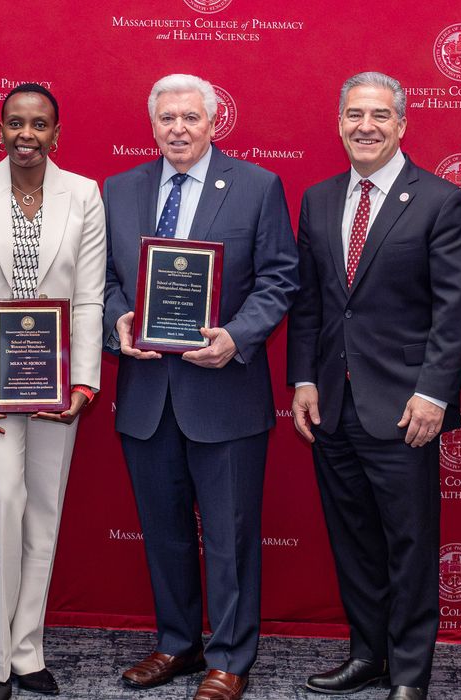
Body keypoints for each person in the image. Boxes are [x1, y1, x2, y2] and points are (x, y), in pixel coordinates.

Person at [104, 73, 298, 700]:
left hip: (225, 394)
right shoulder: (120, 189)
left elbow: (278, 279)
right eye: (167, 119)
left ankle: (231, 657)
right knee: (163, 531)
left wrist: (237, 338)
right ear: (152, 124)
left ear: (215, 122)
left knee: (231, 534)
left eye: (191, 118)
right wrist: (118, 320)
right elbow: (102, 279)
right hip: (146, 394)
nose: (179, 129)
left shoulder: (258, 186)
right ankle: (177, 643)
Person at [287, 72, 461, 700]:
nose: (365, 126)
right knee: (355, 541)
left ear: (402, 125)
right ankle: (367, 655)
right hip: (334, 406)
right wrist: (305, 379)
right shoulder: (316, 199)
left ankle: (411, 675)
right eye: (354, 114)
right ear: (339, 122)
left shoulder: (441, 201)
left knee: (410, 544)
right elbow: (311, 303)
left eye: (379, 115)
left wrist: (433, 393)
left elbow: (455, 310)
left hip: (404, 409)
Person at [0, 83, 105, 700]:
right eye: (15, 123)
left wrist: (84, 380)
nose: (26, 135)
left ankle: (28, 650)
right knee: (0, 498)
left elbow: (88, 296)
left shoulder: (83, 194)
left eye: (39, 125)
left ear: (56, 133)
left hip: (62, 386)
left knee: (43, 511)